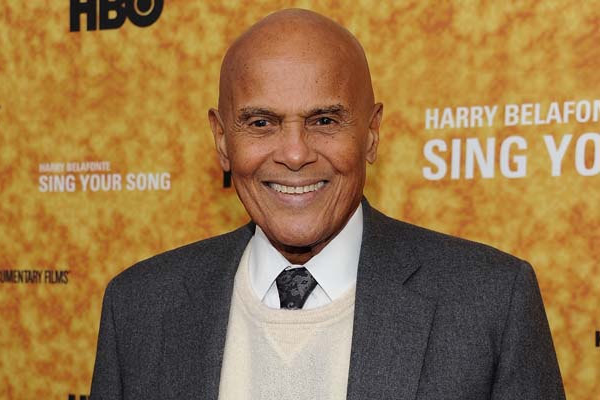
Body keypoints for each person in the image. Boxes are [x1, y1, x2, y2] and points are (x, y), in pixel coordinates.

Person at [90, 9, 565, 400]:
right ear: (221, 141)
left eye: (324, 121)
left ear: (372, 135)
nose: (295, 154)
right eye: (261, 123)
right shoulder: (139, 307)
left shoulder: (491, 302)